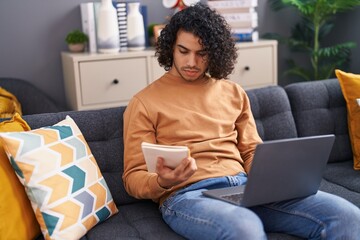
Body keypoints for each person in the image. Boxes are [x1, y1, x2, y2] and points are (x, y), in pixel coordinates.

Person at [123, 3, 360, 239]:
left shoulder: (233, 92)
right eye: (183, 51)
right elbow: (133, 176)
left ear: (214, 52)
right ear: (171, 49)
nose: (192, 62)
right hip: (188, 195)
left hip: (245, 187)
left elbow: (250, 151)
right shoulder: (144, 102)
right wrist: (163, 181)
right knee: (244, 227)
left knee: (347, 215)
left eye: (202, 53)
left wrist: (272, 179)